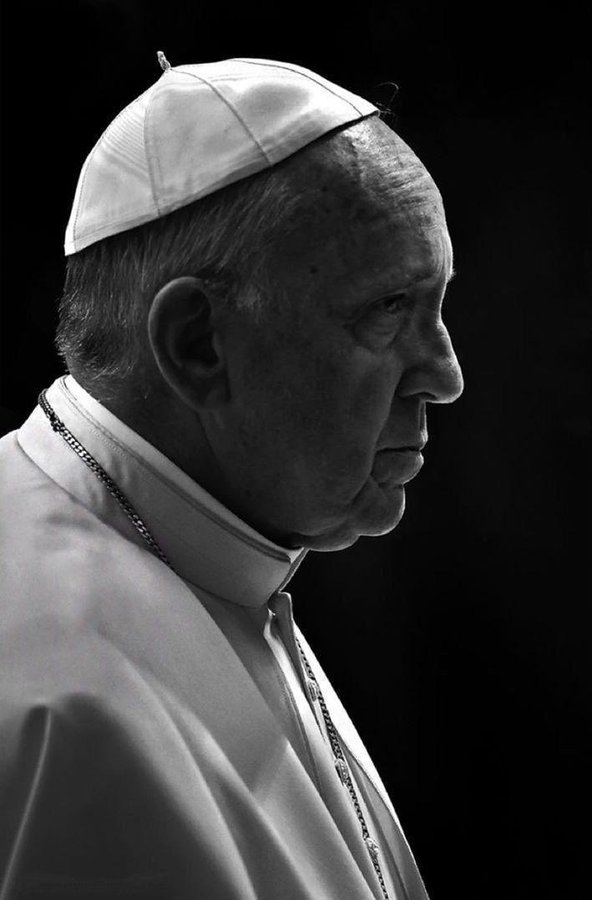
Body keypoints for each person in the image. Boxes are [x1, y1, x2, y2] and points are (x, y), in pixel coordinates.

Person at [0, 54, 463, 900]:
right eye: (389, 310)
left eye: (439, 306)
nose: (446, 375)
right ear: (198, 346)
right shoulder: (63, 709)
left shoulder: (216, 547)